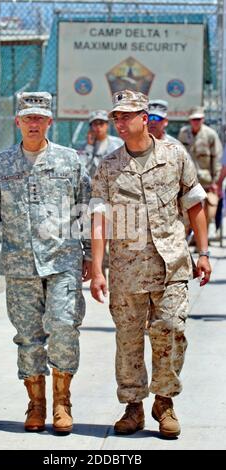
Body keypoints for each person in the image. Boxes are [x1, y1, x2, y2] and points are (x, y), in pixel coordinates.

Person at [90, 90, 211, 438]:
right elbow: (99, 219)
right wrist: (98, 270)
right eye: (117, 117)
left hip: (172, 263)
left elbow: (194, 203)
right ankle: (133, 407)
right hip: (127, 269)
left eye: (127, 115)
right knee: (128, 340)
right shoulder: (110, 167)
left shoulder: (174, 156)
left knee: (171, 330)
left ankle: (164, 400)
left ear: (145, 118)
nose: (120, 122)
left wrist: (203, 253)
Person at [0, 92, 91, 434]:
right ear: (17, 122)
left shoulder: (70, 161)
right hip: (20, 263)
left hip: (63, 261)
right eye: (28, 118)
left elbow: (86, 208)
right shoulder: (2, 164)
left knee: (64, 325)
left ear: (50, 121)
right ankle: (36, 404)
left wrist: (90, 254)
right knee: (27, 336)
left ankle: (62, 402)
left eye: (40, 117)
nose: (33, 123)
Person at [178, 106, 222, 230]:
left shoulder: (210, 134)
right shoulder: (183, 133)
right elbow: (178, 156)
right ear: (189, 120)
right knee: (185, 212)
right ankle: (190, 237)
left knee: (208, 211)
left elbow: (217, 159)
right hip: (187, 181)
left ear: (203, 119)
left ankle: (202, 238)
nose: (196, 121)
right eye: (193, 119)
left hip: (206, 182)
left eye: (198, 119)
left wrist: (216, 182)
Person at [79, 109, 123, 178]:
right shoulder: (84, 146)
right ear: (91, 127)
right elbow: (81, 166)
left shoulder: (117, 143)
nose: (98, 127)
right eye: (95, 124)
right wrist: (89, 146)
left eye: (101, 123)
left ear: (107, 125)